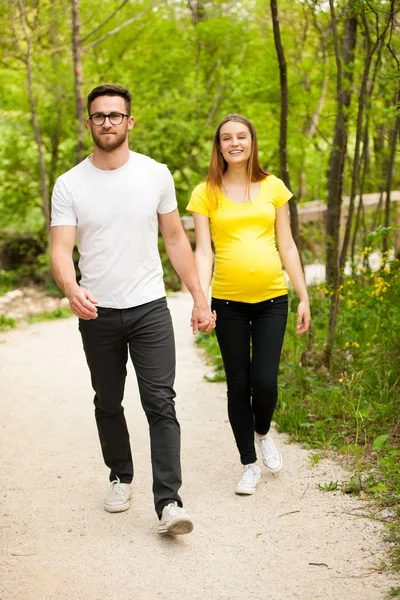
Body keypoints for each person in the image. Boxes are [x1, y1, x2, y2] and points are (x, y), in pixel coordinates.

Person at [50, 84, 215, 535]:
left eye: (115, 115)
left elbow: (176, 240)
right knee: (108, 401)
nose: (107, 122)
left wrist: (200, 298)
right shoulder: (70, 183)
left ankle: (169, 502)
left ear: (129, 122)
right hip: (97, 311)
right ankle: (121, 476)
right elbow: (61, 249)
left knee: (160, 400)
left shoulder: (155, 174)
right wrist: (71, 288)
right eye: (99, 116)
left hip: (149, 307)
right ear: (89, 123)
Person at [187, 114, 311, 495]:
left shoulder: (273, 187)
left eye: (242, 136)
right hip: (228, 303)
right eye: (227, 138)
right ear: (219, 145)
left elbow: (287, 244)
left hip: (273, 298)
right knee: (238, 386)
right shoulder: (205, 192)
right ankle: (248, 464)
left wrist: (303, 294)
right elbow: (203, 250)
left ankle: (262, 432)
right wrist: (200, 300)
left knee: (265, 382)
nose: (235, 143)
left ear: (252, 142)